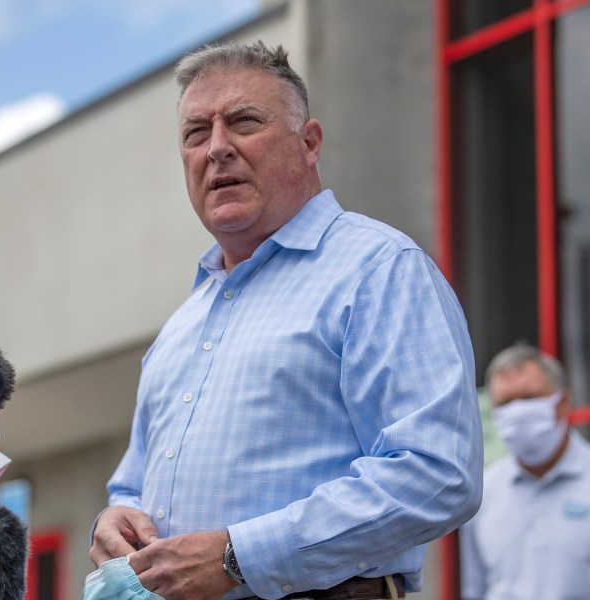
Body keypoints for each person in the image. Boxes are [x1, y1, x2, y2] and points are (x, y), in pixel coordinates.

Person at [88, 40, 483, 600]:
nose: (217, 148)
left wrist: (236, 557)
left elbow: (439, 473)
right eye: (196, 133)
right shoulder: (181, 325)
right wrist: (115, 519)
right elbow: (133, 481)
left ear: (310, 142)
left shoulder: (378, 270)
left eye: (244, 122)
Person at [460, 344, 590, 600]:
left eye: (529, 397)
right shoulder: (483, 491)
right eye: (506, 402)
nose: (518, 411)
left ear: (562, 402)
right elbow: (474, 588)